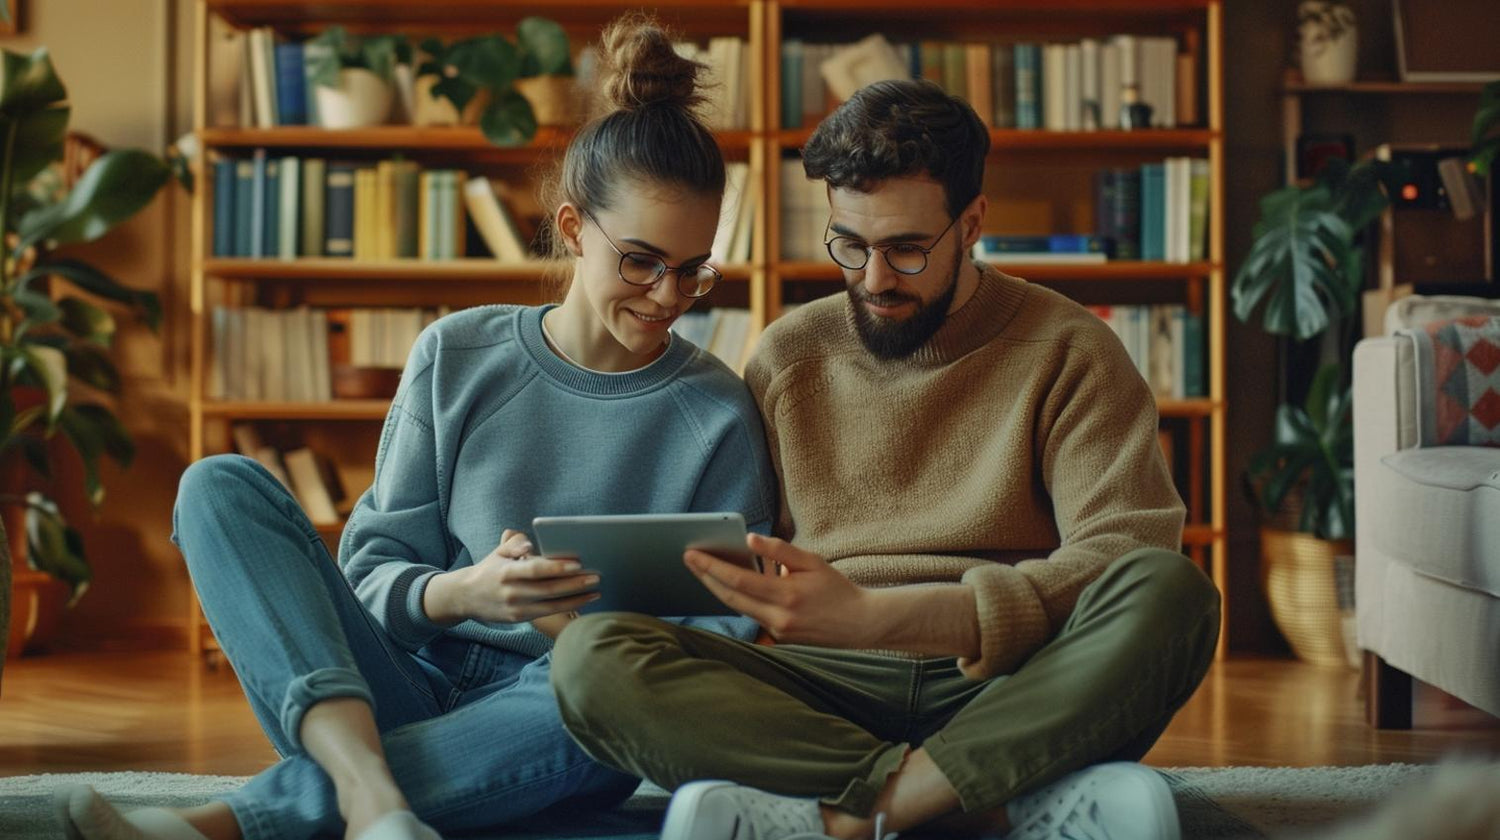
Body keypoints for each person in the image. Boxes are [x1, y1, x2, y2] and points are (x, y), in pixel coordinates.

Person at [55, 16, 775, 840]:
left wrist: (568, 634)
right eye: (641, 261)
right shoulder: (459, 353)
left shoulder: (716, 411)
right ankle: (376, 796)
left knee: (605, 692)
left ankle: (238, 825)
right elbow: (370, 572)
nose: (667, 296)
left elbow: (714, 656)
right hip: (396, 684)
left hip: (564, 715)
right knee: (218, 486)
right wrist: (463, 592)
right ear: (575, 229)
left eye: (694, 271)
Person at [550, 78, 1221, 840]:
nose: (872, 279)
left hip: (1006, 677)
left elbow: (1127, 547)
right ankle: (997, 803)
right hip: (822, 684)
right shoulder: (787, 356)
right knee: (592, 659)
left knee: (1173, 592)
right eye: (850, 244)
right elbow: (734, 553)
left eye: (906, 249)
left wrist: (885, 615)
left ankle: (846, 815)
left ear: (972, 224)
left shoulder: (1071, 350)